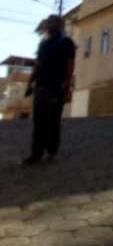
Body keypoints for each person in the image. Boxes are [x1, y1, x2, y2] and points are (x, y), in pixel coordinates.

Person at [23, 14, 75, 165]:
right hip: (41, 85)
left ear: (59, 25)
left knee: (53, 120)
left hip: (56, 86)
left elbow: (70, 64)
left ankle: (51, 150)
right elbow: (38, 64)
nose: (49, 25)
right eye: (48, 22)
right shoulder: (43, 43)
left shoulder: (66, 42)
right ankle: (36, 154)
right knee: (39, 120)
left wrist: (67, 82)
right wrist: (30, 82)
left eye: (52, 22)